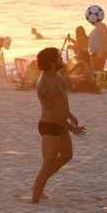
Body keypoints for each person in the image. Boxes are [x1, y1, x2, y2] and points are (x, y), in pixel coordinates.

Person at [30, 47, 86, 204]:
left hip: (61, 122)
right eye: (59, 58)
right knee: (48, 163)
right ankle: (35, 198)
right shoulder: (43, 84)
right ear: (53, 63)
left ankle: (37, 185)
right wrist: (71, 128)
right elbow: (53, 111)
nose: (62, 60)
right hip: (50, 126)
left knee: (67, 156)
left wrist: (69, 114)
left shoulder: (58, 76)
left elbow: (62, 99)